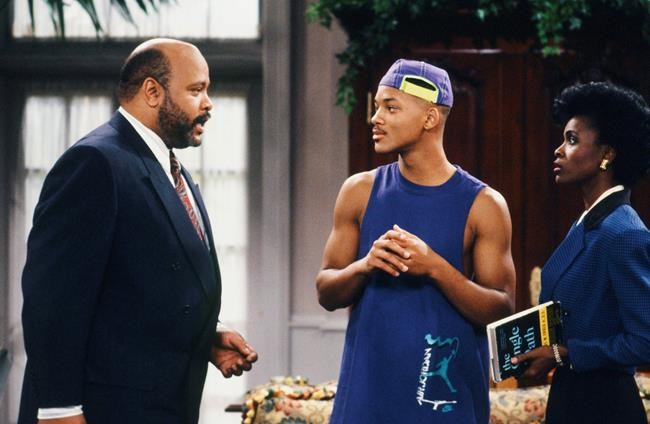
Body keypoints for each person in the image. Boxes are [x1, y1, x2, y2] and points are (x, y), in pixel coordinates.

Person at [18, 38, 258, 424]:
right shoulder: (94, 162)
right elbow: (53, 302)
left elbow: (143, 283)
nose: (208, 104)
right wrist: (59, 409)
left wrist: (205, 335)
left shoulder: (169, 167)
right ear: (152, 92)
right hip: (102, 410)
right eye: (196, 90)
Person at [316, 59, 516, 423]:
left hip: (443, 401)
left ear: (429, 118)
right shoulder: (359, 191)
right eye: (377, 106)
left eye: (391, 108)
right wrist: (365, 266)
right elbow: (326, 292)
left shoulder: (484, 205)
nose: (375, 118)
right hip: (367, 396)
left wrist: (435, 267)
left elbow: (501, 310)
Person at [511, 81, 650, 423]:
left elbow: (645, 341)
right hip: (570, 397)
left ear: (607, 154)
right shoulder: (587, 223)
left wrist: (565, 354)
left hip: (606, 406)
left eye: (572, 140)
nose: (558, 150)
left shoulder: (624, 232)